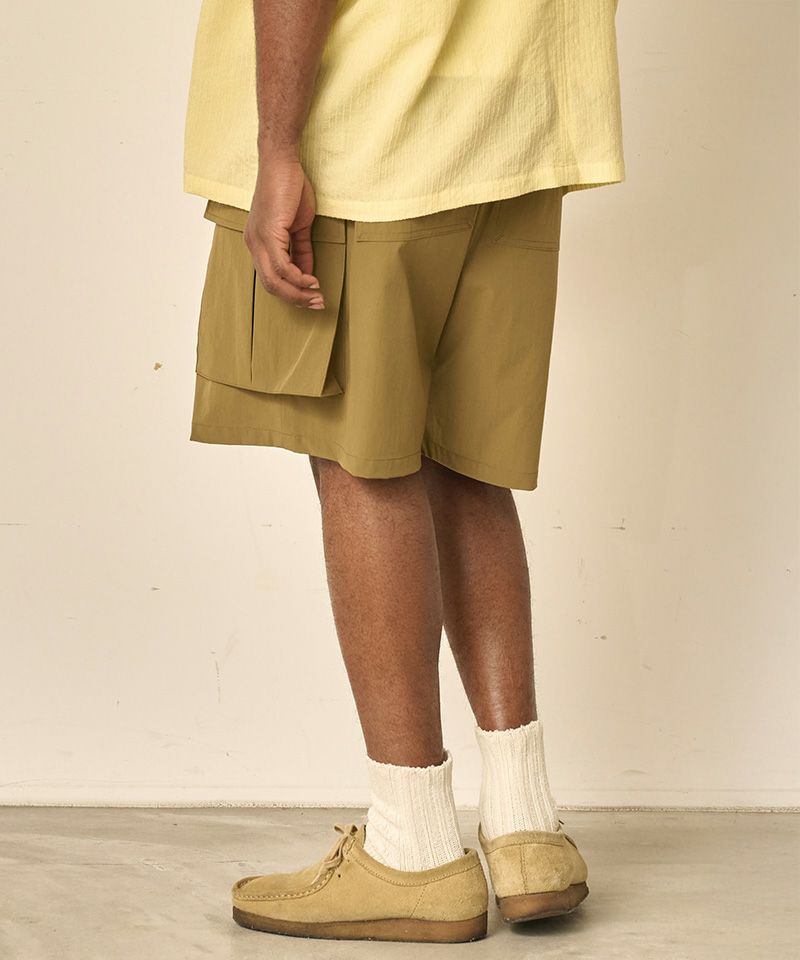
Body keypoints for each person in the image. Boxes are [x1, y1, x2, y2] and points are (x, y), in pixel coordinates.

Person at [183, 0, 625, 944]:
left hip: (369, 118)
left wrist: (277, 145)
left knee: (364, 459)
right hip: (514, 113)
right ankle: (526, 828)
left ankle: (413, 848)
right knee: (464, 458)